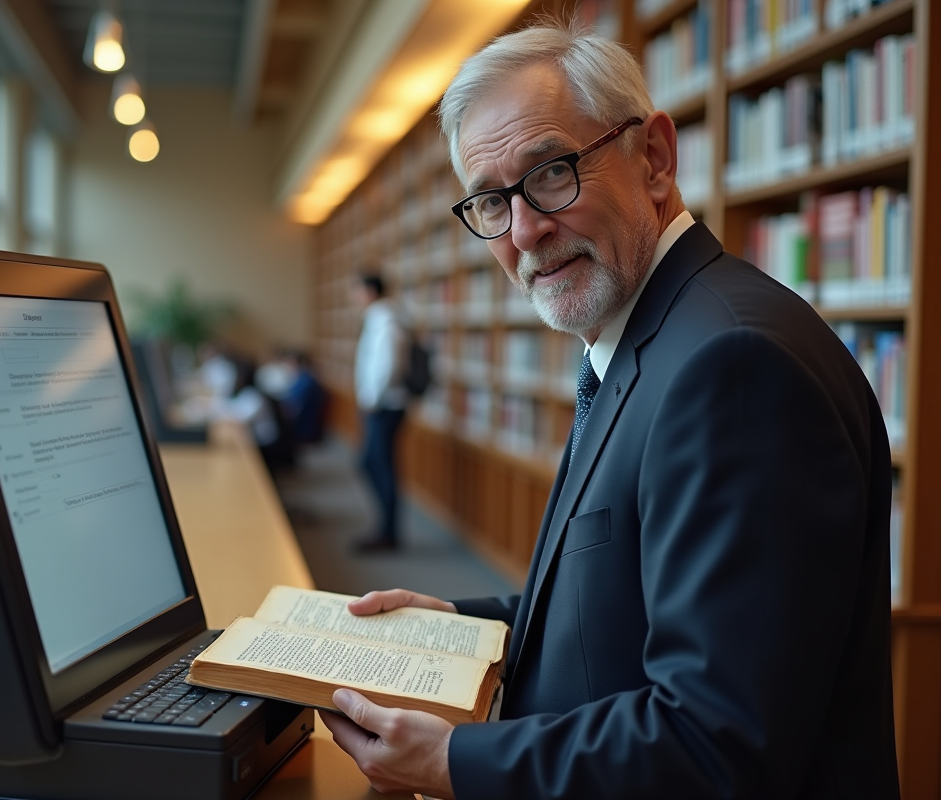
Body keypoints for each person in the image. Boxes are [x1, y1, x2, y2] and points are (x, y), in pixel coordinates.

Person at [319, 20, 899, 799]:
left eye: (551, 173)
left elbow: (717, 745)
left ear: (653, 157)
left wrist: (450, 762)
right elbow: (629, 599)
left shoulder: (732, 366)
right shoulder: (646, 338)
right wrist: (459, 625)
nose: (526, 231)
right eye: (491, 202)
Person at [351, 272, 407, 553]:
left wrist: (371, 400)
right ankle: (385, 529)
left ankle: (388, 532)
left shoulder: (386, 320)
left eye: (356, 290)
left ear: (370, 291)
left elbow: (387, 365)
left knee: (378, 466)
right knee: (373, 464)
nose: (353, 296)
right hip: (379, 405)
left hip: (384, 406)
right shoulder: (378, 317)